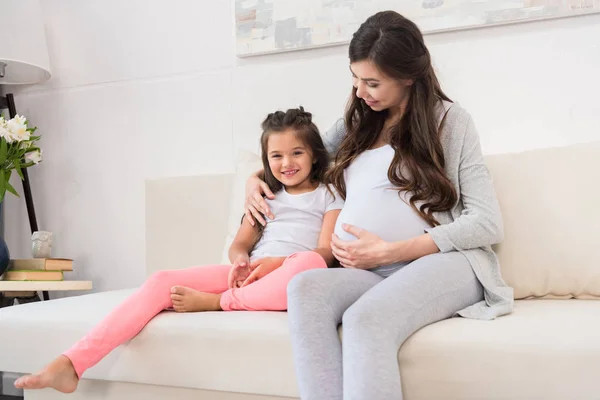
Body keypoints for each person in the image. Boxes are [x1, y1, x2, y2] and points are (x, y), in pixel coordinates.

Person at [244, 11, 514, 400]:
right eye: (355, 79)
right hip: (371, 271)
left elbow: (487, 222)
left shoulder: (451, 122)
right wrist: (256, 179)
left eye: (372, 82)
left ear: (408, 76)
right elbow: (300, 161)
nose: (360, 92)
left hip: (444, 264)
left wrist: (394, 250)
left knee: (365, 319)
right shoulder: (357, 123)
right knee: (304, 289)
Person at [15, 106, 344, 394]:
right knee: (162, 280)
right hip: (254, 274)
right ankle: (72, 363)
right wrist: (241, 260)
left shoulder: (329, 193)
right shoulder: (265, 195)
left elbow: (325, 253)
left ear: (314, 153)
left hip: (290, 276)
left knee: (310, 263)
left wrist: (277, 264)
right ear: (266, 160)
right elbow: (240, 245)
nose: (287, 162)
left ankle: (218, 303)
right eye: (277, 155)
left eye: (297, 153)